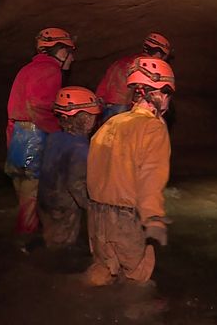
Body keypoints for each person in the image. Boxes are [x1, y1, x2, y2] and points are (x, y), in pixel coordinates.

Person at [84, 55, 175, 286]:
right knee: (138, 279)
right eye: (168, 94)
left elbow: (93, 172)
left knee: (102, 274)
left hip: (96, 215)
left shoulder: (111, 123)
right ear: (158, 93)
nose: (168, 101)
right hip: (125, 218)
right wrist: (153, 218)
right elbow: (151, 177)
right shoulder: (153, 128)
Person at [5, 27, 75, 241]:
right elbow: (37, 106)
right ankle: (28, 245)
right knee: (34, 198)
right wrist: (61, 132)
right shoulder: (50, 69)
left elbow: (15, 112)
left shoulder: (26, 69)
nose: (72, 57)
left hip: (17, 138)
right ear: (60, 51)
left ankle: (26, 241)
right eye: (70, 52)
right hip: (34, 138)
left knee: (24, 198)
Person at [37, 86, 101, 249]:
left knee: (49, 237)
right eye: (94, 116)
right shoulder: (80, 148)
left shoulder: (54, 137)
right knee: (62, 245)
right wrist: (95, 209)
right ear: (86, 119)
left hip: (44, 202)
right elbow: (77, 185)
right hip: (64, 208)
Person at [95, 32, 172, 123]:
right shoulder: (148, 69)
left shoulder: (122, 61)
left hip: (107, 107)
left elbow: (103, 86)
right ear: (159, 54)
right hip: (124, 109)